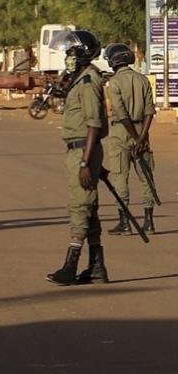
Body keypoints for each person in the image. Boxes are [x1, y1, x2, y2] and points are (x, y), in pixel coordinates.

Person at [46, 30, 109, 285]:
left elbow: (93, 124)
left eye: (71, 52)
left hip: (83, 151)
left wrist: (86, 162)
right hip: (83, 151)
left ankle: (70, 266)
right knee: (90, 210)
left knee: (80, 207)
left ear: (82, 53)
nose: (67, 57)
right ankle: (97, 268)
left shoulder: (88, 82)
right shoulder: (81, 78)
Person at [103, 43, 157, 236]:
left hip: (121, 132)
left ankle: (124, 222)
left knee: (120, 176)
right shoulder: (143, 80)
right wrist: (141, 138)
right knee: (146, 177)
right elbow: (150, 111)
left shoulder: (114, 83)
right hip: (143, 129)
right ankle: (149, 221)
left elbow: (121, 112)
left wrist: (134, 137)